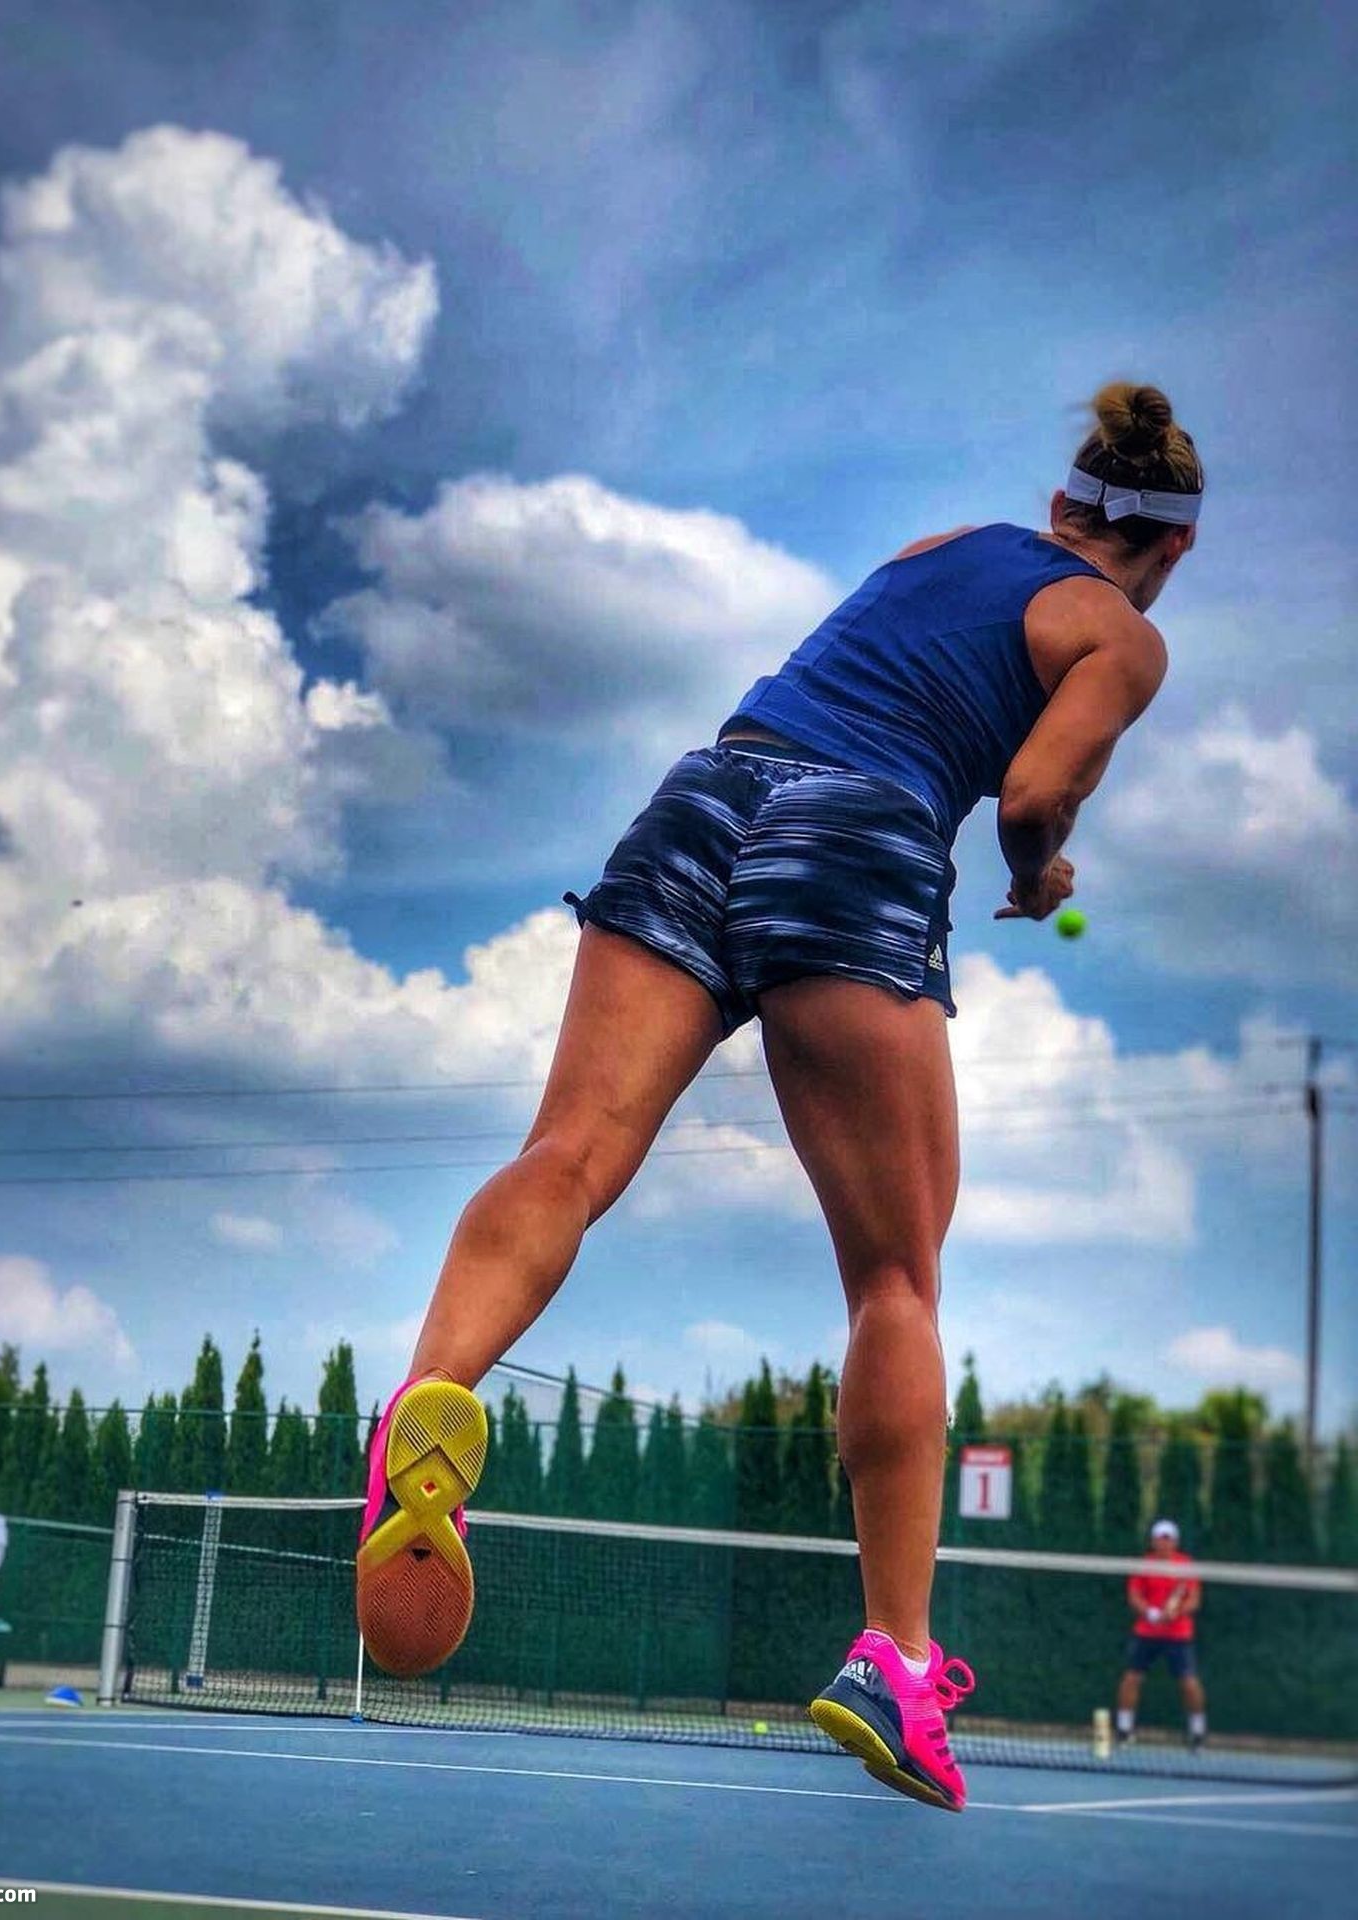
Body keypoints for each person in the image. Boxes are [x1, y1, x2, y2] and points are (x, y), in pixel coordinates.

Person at [354, 381, 1204, 1812]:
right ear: (1173, 547)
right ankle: (896, 1659)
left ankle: (423, 1405)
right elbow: (1027, 794)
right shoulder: (1124, 637)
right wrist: (1035, 871)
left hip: (708, 792)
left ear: (1063, 506)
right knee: (895, 1283)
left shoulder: (944, 545)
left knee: (569, 1154)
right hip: (857, 835)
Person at [1116, 1517, 1208, 1750]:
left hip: (1178, 1635)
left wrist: (1176, 1612)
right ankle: (1124, 1730)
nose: (1164, 1543)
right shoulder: (1144, 1565)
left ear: (1175, 1542)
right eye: (1160, 1538)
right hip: (1146, 1632)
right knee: (1131, 1678)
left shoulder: (1186, 1565)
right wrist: (1150, 1612)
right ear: (1153, 1541)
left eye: (1168, 1539)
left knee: (1189, 1683)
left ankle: (1197, 1732)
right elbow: (1134, 1596)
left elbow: (1194, 1600)